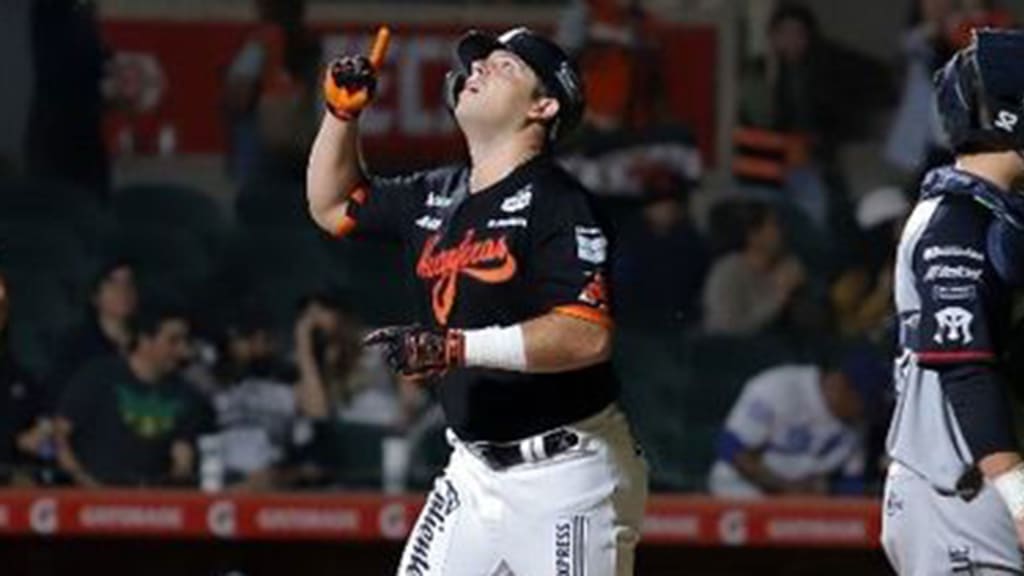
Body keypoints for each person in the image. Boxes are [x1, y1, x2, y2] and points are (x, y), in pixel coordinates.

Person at [307, 26, 648, 575]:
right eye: (480, 61)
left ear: (543, 106)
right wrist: (341, 116)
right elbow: (333, 205)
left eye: (506, 65)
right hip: (472, 472)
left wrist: (456, 347)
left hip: (567, 473)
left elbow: (587, 335)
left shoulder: (560, 202)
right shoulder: (437, 192)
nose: (481, 67)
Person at [881, 30, 1024, 574]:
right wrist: (1019, 497)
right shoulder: (956, 220)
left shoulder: (993, 213)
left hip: (981, 487)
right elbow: (966, 369)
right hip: (962, 495)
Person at [54, 300, 206, 487]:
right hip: (89, 494)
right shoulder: (99, 376)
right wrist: (87, 485)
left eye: (185, 341)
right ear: (145, 340)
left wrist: (176, 480)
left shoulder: (185, 394)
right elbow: (61, 436)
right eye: (173, 341)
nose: (182, 351)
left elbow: (182, 455)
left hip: (150, 500)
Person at [708, 354, 880, 498]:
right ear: (840, 384)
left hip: (806, 504)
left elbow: (851, 484)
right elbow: (730, 447)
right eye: (863, 401)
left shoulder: (856, 424)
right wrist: (785, 488)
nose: (864, 410)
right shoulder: (779, 387)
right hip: (744, 490)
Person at [702, 201, 806, 336]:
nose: (782, 231)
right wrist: (780, 296)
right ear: (753, 236)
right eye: (774, 225)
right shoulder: (728, 273)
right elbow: (729, 329)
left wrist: (798, 294)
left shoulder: (786, 265)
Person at [47, 259, 137, 405]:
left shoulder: (147, 342)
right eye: (113, 283)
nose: (123, 290)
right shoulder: (75, 347)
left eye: (129, 282)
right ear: (94, 296)